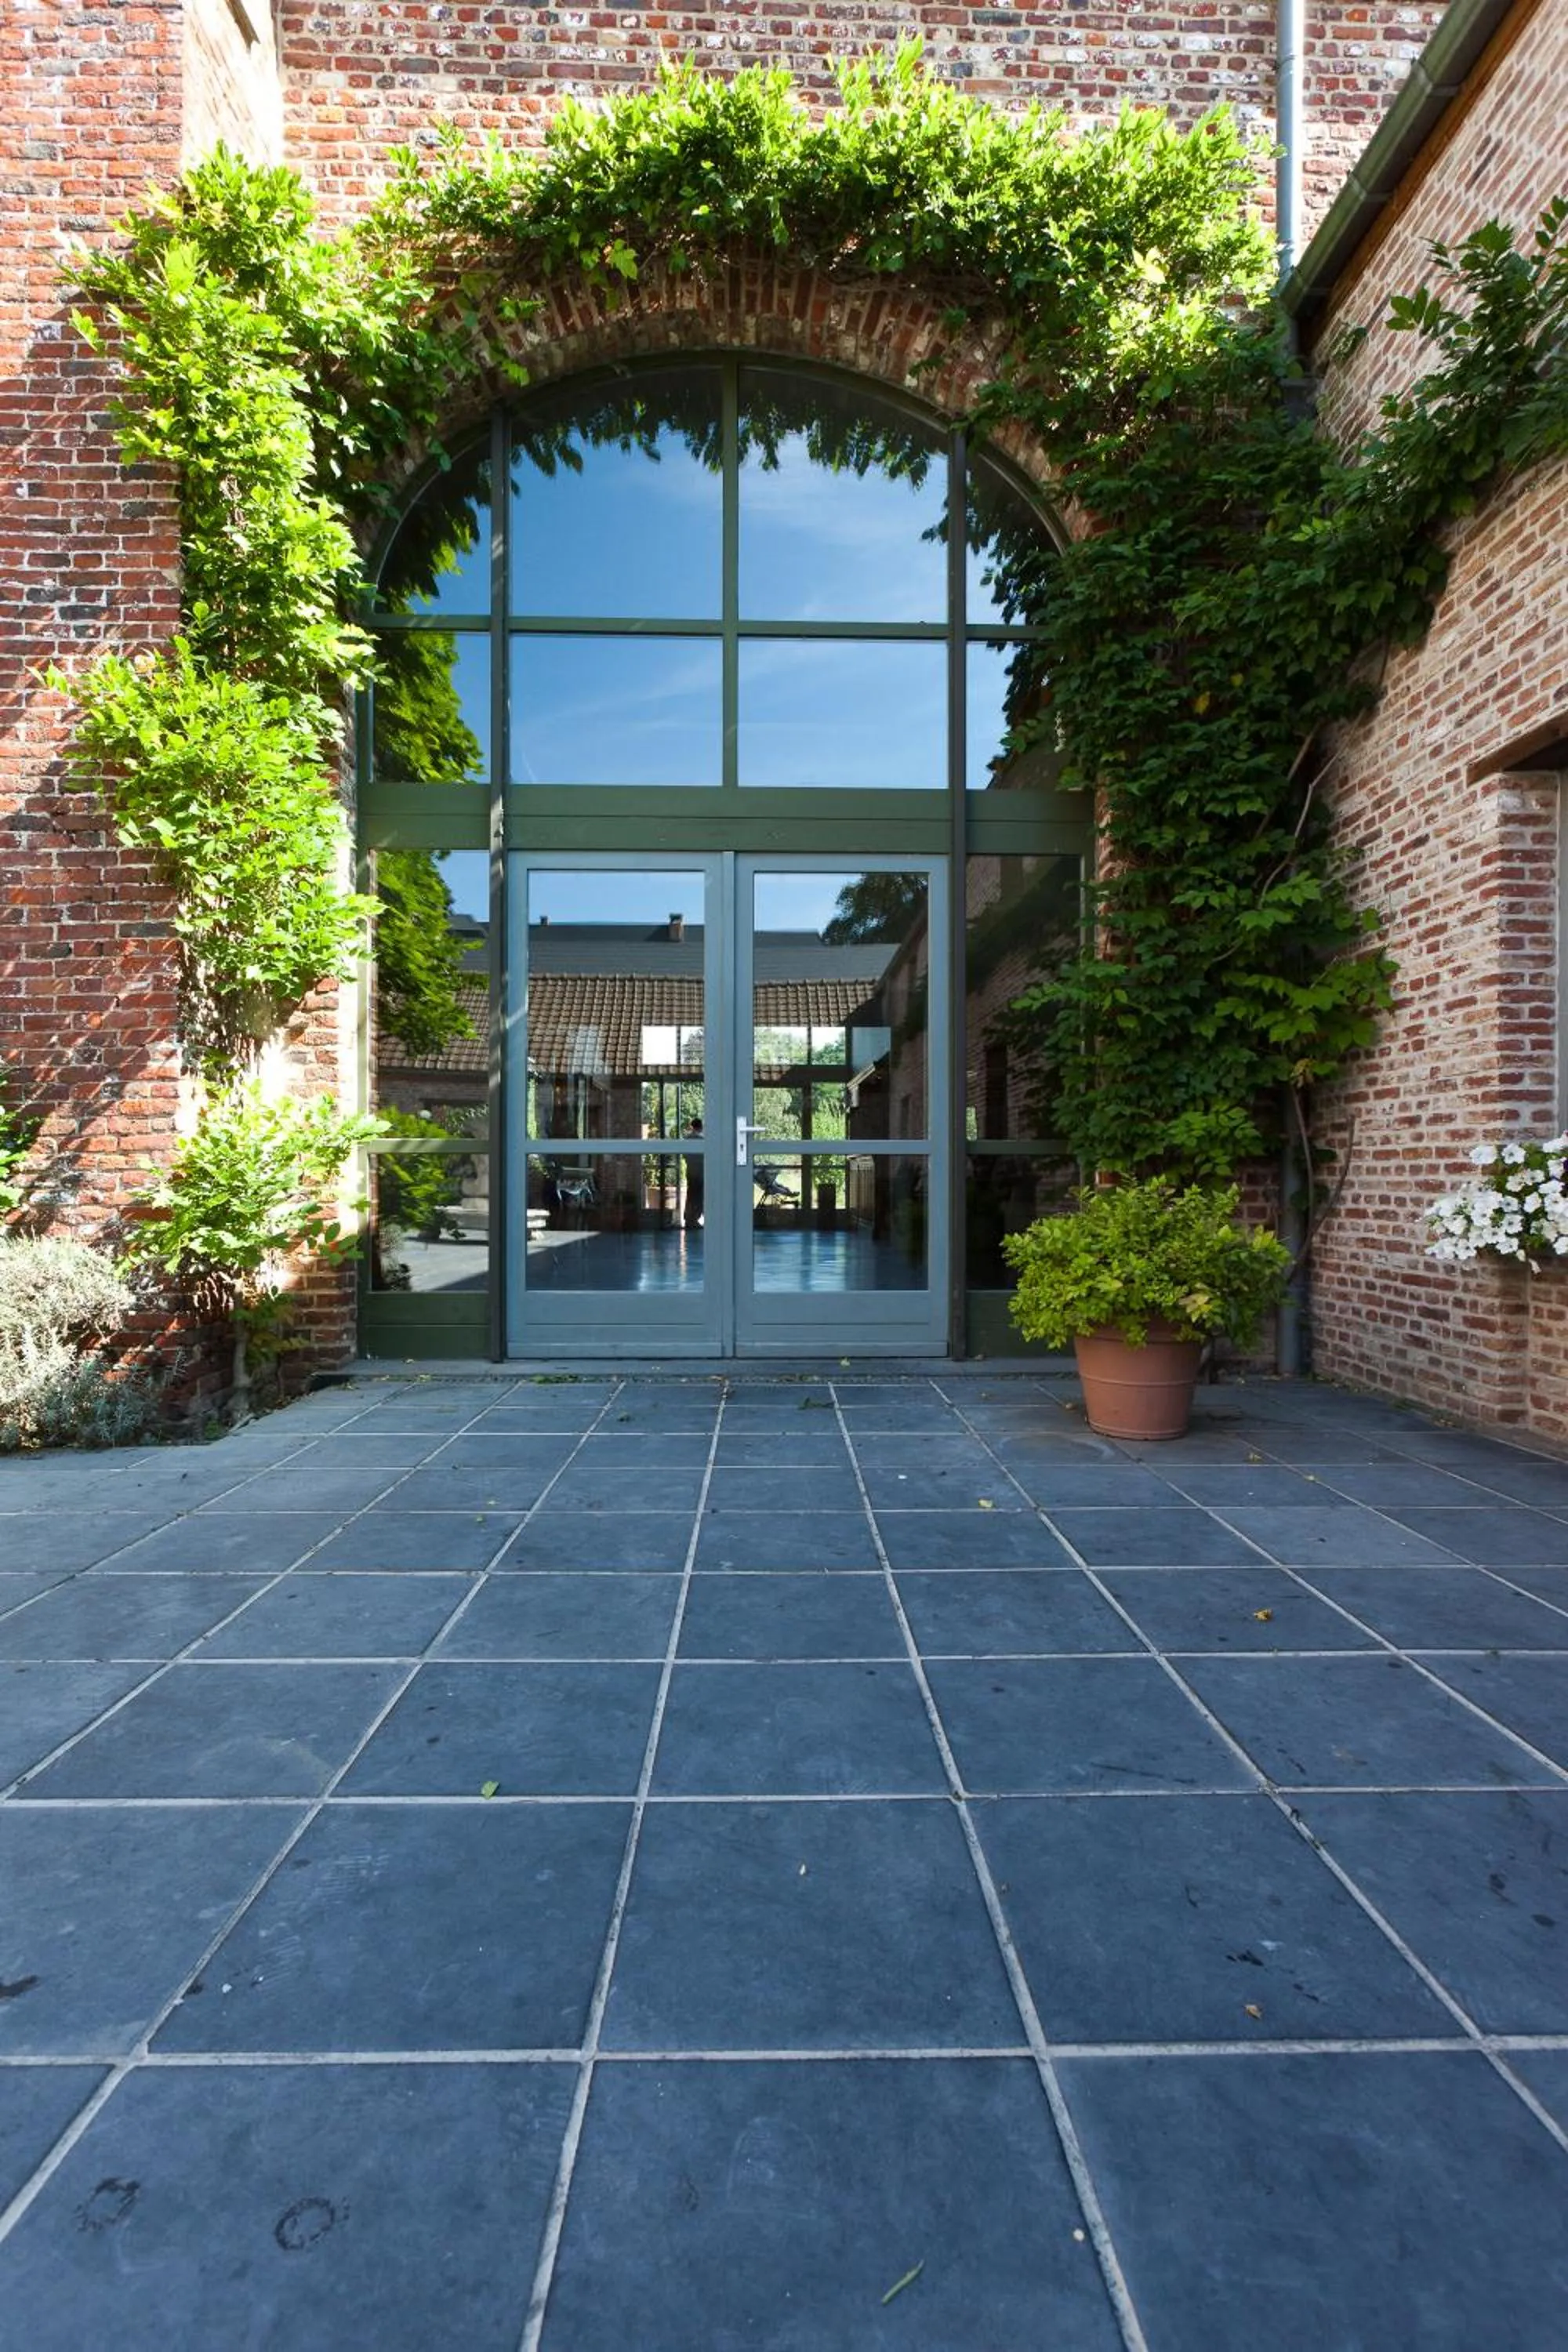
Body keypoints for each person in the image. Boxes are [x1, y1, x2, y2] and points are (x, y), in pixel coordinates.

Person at [683, 1118, 704, 1229]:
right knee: (699, 1195)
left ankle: (689, 1218)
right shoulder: (702, 1140)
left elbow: (684, 1155)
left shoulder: (686, 1139)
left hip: (690, 1170)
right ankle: (694, 1218)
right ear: (701, 1127)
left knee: (690, 1194)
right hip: (700, 1171)